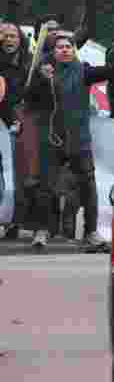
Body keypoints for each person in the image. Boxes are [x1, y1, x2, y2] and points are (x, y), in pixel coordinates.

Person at [22, 32, 114, 250]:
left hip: (78, 139)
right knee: (45, 186)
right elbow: (29, 98)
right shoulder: (43, 72)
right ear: (53, 52)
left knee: (88, 185)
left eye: (69, 47)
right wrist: (41, 79)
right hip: (52, 138)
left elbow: (106, 71)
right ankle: (42, 230)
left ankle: (91, 231)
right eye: (60, 47)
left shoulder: (83, 71)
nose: (65, 50)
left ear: (74, 51)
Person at [0, 22, 28, 240]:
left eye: (13, 36)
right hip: (7, 123)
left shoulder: (28, 64)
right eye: (5, 36)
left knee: (20, 177)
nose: (9, 40)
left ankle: (16, 222)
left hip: (20, 126)